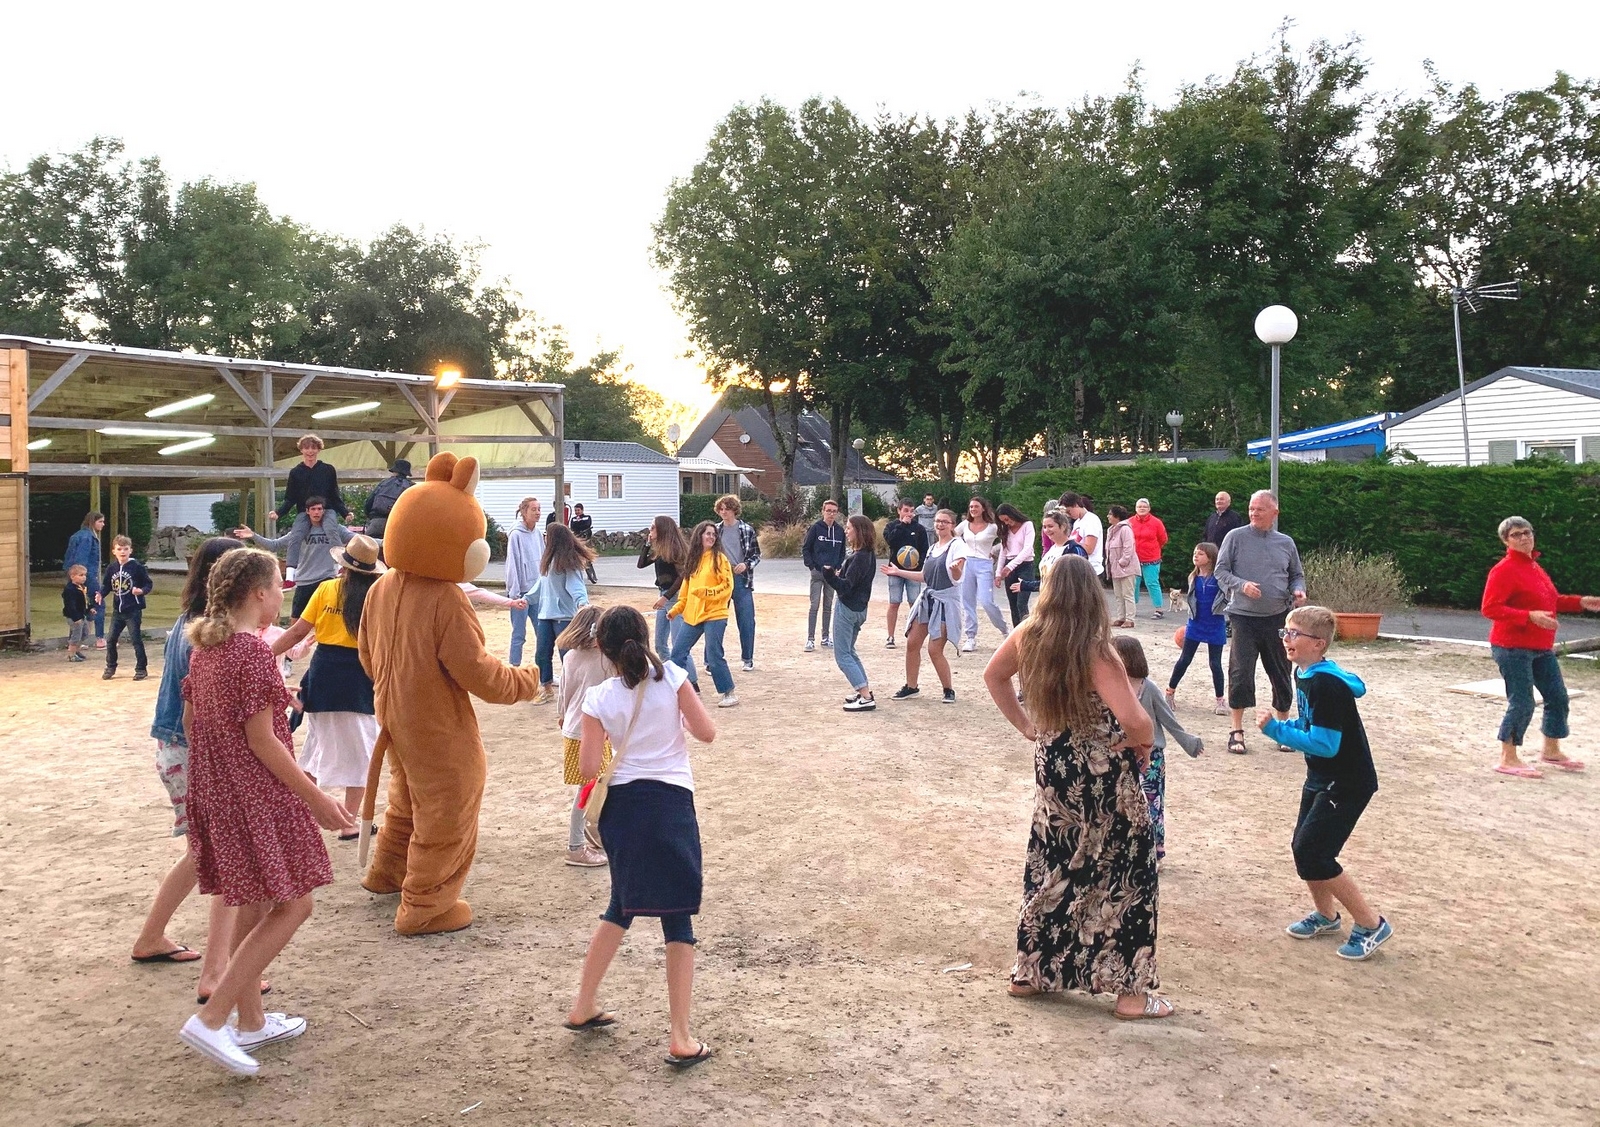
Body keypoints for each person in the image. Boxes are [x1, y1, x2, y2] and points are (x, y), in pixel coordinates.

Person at [177, 547, 354, 1075]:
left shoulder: (208, 648)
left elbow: (195, 722)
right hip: (259, 795)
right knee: (296, 904)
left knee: (252, 902)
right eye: (279, 586)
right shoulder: (251, 652)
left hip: (222, 792)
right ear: (258, 593)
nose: (283, 594)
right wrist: (317, 798)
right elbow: (262, 740)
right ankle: (212, 1020)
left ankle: (251, 1023)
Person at [980, 555, 1170, 1020]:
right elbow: (1135, 719)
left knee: (1054, 862)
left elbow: (993, 676)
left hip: (1054, 770)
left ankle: (1030, 971)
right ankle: (1129, 992)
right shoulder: (1097, 649)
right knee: (1128, 873)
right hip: (1104, 776)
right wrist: (1143, 741)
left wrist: (1028, 727)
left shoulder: (1029, 634)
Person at [566, 605, 718, 1068]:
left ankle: (583, 1004)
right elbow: (707, 733)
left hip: (623, 810)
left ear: (604, 649)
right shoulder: (671, 677)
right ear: (646, 637)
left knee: (621, 905)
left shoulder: (599, 697)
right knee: (678, 918)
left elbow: (590, 769)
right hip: (670, 803)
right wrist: (680, 722)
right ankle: (680, 1035)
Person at [135, 536, 245, 984]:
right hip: (189, 749)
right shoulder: (207, 628)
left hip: (177, 746)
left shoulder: (190, 619)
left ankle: (157, 938)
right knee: (215, 853)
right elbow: (202, 704)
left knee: (206, 853)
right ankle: (222, 971)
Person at [1259, 605, 1392, 961]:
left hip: (1347, 781)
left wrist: (1275, 730)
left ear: (1318, 644)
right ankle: (1327, 916)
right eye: (1285, 633)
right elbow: (1310, 726)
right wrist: (1284, 728)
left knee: (1316, 852)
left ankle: (1370, 923)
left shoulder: (1326, 684)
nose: (1286, 640)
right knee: (1303, 849)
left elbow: (1327, 744)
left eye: (1294, 634)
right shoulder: (1306, 674)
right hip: (1321, 777)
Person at [270, 535, 386, 836]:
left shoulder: (326, 588)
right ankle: (348, 822)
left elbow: (297, 632)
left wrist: (263, 654)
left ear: (343, 566)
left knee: (315, 747)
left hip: (322, 675)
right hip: (359, 677)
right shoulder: (377, 596)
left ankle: (301, 813)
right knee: (363, 753)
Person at [1479, 515, 1600, 778]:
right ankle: (1508, 757)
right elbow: (1490, 608)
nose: (1524, 538)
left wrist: (1581, 602)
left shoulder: (1534, 566)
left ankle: (1552, 750)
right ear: (1505, 540)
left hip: (1541, 647)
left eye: (1527, 532)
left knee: (1557, 697)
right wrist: (1528, 616)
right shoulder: (1504, 570)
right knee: (1522, 702)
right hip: (1512, 647)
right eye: (1516, 534)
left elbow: (1552, 600)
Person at [1215, 490, 1306, 755]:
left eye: (1260, 509)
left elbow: (1296, 575)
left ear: (1274, 513)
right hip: (1244, 617)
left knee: (1280, 673)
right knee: (1240, 673)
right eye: (1252, 508)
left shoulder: (1286, 543)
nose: (1254, 513)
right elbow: (1221, 571)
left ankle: (1283, 730)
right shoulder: (1235, 537)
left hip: (1277, 617)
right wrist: (1242, 585)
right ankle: (1236, 731)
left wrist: (1298, 590)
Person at [1113, 635, 1203, 866]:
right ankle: (1126, 850)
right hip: (1120, 755)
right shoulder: (1110, 687)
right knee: (1121, 804)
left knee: (1151, 803)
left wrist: (1187, 741)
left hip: (1151, 757)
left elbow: (1167, 718)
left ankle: (1155, 850)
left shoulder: (1148, 687)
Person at [883, 509, 968, 703]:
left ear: (952, 525)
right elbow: (924, 577)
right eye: (938, 521)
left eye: (945, 522)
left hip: (946, 602)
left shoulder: (957, 546)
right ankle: (911, 686)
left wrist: (955, 570)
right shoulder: (932, 548)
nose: (940, 524)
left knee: (934, 649)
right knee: (912, 643)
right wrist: (898, 572)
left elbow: (957, 576)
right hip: (928, 599)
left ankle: (948, 690)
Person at [555, 605, 612, 867]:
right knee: (589, 790)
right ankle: (576, 846)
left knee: (594, 787)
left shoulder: (570, 657)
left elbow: (564, 694)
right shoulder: (605, 660)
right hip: (593, 732)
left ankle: (594, 836)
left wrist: (563, 716)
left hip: (573, 728)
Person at [235, 496, 356, 620]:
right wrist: (253, 536)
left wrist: (376, 541)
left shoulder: (336, 529)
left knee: (328, 620)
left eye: (319, 509)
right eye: (313, 509)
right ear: (307, 511)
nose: (316, 512)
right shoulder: (299, 531)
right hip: (304, 581)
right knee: (296, 621)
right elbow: (274, 545)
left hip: (327, 580)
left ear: (324, 511)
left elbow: (358, 540)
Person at [668, 520, 739, 708]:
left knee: (714, 654)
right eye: (707, 533)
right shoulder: (693, 561)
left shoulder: (720, 559)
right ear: (699, 536)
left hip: (715, 613)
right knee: (677, 653)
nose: (711, 537)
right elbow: (686, 592)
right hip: (693, 615)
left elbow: (727, 586)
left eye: (714, 535)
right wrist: (675, 610)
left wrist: (708, 593)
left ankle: (728, 692)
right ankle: (678, 691)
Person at [523, 523, 595, 704]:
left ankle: (576, 690)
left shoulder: (570, 562)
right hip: (545, 615)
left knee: (568, 656)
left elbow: (575, 585)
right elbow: (541, 585)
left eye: (547, 534)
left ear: (555, 539)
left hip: (564, 617)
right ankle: (546, 688)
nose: (544, 537)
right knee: (542, 653)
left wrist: (582, 603)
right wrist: (526, 599)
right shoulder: (548, 560)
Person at [269, 435, 349, 577]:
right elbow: (290, 498)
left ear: (319, 449)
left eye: (313, 448)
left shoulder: (328, 469)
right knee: (295, 537)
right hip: (304, 511)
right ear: (301, 450)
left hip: (327, 509)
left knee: (331, 531)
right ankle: (290, 575)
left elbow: (334, 494)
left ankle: (339, 567)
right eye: (306, 448)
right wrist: (278, 512)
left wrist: (345, 513)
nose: (310, 451)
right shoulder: (295, 472)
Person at [823, 514, 879, 712]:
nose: (846, 531)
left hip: (848, 609)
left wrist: (829, 576)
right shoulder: (868, 555)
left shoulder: (860, 557)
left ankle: (865, 697)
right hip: (859, 609)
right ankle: (864, 690)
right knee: (850, 652)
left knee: (843, 655)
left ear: (859, 531)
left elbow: (845, 587)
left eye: (848, 528)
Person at [1167, 543, 1228, 715]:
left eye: (1200, 554)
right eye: (1194, 553)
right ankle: (1169, 693)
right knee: (1184, 659)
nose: (1196, 556)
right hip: (1195, 623)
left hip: (1215, 623)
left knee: (1215, 663)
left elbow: (1228, 595)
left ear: (1211, 557)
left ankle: (1220, 700)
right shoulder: (1193, 577)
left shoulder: (1220, 578)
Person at [956, 496, 1008, 652]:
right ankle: (970, 637)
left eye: (976, 506)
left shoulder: (992, 527)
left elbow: (1006, 540)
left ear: (983, 508)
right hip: (967, 563)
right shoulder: (965, 524)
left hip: (984, 564)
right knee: (967, 601)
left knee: (986, 601)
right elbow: (953, 536)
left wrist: (994, 551)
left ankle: (1004, 630)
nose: (973, 509)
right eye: (971, 507)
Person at [715, 495, 761, 672]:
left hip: (741, 578)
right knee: (716, 619)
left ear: (734, 509)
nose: (724, 512)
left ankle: (747, 658)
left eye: (727, 508)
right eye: (721, 509)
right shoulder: (716, 530)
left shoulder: (746, 529)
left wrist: (746, 565)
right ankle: (711, 659)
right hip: (721, 579)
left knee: (747, 620)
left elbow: (757, 555)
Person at [101, 533, 154, 681]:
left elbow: (148, 583)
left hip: (133, 610)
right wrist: (100, 594)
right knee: (111, 639)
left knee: (136, 639)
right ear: (114, 551)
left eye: (125, 549)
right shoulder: (112, 568)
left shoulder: (137, 567)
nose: (122, 552)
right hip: (118, 611)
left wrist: (141, 591)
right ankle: (110, 666)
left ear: (130, 550)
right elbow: (107, 586)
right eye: (119, 549)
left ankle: (141, 668)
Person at [638, 515, 688, 661]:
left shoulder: (674, 549)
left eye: (653, 527)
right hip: (663, 594)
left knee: (678, 644)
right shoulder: (660, 549)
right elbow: (641, 564)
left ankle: (690, 681)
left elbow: (683, 576)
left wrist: (666, 597)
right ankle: (670, 674)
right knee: (660, 644)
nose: (650, 529)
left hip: (674, 597)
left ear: (662, 529)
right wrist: (647, 544)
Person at [504, 497, 546, 667]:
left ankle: (545, 671)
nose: (537, 513)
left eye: (539, 509)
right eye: (533, 509)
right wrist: (514, 594)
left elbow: (544, 561)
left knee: (542, 633)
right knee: (519, 633)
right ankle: (514, 668)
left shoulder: (537, 534)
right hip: (520, 593)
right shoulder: (516, 535)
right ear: (524, 512)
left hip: (536, 592)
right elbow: (512, 564)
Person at [882, 499, 929, 648]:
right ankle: (890, 636)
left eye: (911, 511)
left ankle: (914, 635)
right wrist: (902, 525)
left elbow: (924, 550)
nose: (909, 514)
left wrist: (919, 563)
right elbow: (891, 541)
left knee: (914, 603)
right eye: (906, 510)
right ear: (899, 511)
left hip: (913, 572)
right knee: (894, 602)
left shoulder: (920, 529)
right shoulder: (891, 526)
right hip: (894, 570)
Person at [802, 498, 846, 651]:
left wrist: (838, 567)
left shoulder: (840, 531)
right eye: (828, 511)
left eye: (834, 511)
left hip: (832, 575)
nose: (831, 514)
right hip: (817, 573)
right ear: (823, 511)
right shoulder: (815, 528)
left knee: (828, 606)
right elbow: (806, 548)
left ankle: (826, 637)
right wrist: (812, 566)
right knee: (814, 605)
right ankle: (810, 639)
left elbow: (842, 552)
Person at [1009, 509, 1072, 599]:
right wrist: (1026, 585)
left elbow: (1072, 582)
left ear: (1063, 526)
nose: (1047, 530)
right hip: (1048, 601)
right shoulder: (1052, 549)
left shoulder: (1073, 549)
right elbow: (1046, 581)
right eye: (1044, 527)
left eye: (1050, 526)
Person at [65, 511, 106, 648]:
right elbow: (81, 560)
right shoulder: (87, 537)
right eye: (100, 521)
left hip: (75, 575)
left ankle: (74, 640)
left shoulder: (78, 535)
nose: (103, 524)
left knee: (78, 606)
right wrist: (82, 576)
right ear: (92, 522)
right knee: (98, 602)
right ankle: (99, 638)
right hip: (85, 575)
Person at [995, 503, 1036, 627]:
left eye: (1007, 519)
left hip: (1025, 565)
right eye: (1003, 521)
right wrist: (998, 573)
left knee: (1021, 603)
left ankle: (1026, 632)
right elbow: (1003, 552)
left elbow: (1027, 549)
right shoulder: (1005, 530)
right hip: (1010, 565)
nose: (1006, 523)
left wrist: (1010, 566)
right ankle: (1016, 635)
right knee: (1013, 604)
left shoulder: (1027, 525)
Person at [1129, 498, 1169, 618]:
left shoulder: (1156, 522)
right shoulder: (1129, 522)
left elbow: (1163, 539)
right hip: (1134, 558)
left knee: (1152, 583)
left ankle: (1158, 609)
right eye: (1139, 506)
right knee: (1134, 584)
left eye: (1144, 507)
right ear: (1135, 508)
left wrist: (1153, 549)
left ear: (1149, 509)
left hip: (1151, 559)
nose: (1142, 508)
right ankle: (1132, 609)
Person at [1104, 505, 1139, 627]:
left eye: (1110, 514)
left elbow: (1128, 547)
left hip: (1126, 568)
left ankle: (1130, 619)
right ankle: (1121, 617)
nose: (1108, 516)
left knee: (1127, 594)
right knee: (1118, 594)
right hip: (1115, 568)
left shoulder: (1125, 529)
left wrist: (1122, 562)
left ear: (1117, 516)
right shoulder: (1111, 530)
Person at [362, 459, 413, 541]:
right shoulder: (411, 486)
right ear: (407, 473)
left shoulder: (384, 483)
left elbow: (368, 503)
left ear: (394, 471)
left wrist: (372, 517)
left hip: (376, 523)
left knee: (371, 550)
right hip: (397, 525)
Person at [1059, 492, 1103, 577]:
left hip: (1091, 570)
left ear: (1076, 505)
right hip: (1080, 570)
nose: (1068, 515)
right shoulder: (1078, 522)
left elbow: (1089, 549)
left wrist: (1069, 542)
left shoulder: (1091, 520)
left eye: (1069, 511)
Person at [62, 564, 92, 661]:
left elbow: (85, 601)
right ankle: (71, 654)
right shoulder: (70, 590)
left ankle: (76, 650)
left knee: (85, 633)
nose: (84, 577)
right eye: (81, 575)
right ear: (72, 577)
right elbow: (70, 605)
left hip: (82, 615)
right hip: (74, 617)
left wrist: (90, 608)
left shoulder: (82, 587)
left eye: (85, 575)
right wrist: (76, 618)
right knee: (76, 635)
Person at [570, 503, 599, 584]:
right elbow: (573, 527)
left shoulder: (587, 517)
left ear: (582, 510)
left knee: (587, 557)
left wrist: (580, 524)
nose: (577, 512)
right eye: (575, 510)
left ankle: (592, 574)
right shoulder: (573, 519)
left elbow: (587, 525)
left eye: (578, 510)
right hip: (577, 539)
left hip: (586, 540)